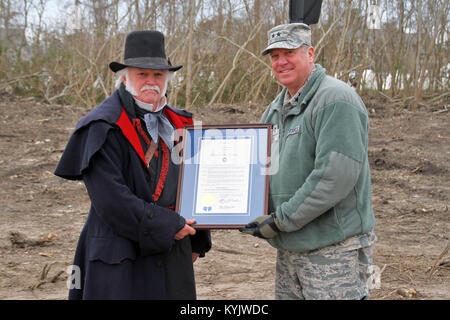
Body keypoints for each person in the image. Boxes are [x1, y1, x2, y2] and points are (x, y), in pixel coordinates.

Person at [55, 30, 211, 299]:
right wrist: (169, 226)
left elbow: (196, 183)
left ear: (167, 80)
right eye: (142, 74)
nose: (151, 82)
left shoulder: (181, 124)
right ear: (125, 77)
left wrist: (198, 238)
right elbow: (111, 200)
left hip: (173, 249)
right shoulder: (103, 126)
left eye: (158, 75)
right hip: (119, 253)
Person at [240, 23, 377, 300]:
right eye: (274, 56)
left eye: (289, 52)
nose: (281, 62)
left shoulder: (336, 100)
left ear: (310, 53)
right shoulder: (274, 110)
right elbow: (260, 170)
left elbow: (334, 177)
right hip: (290, 249)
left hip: (334, 252)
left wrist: (280, 220)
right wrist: (241, 208)